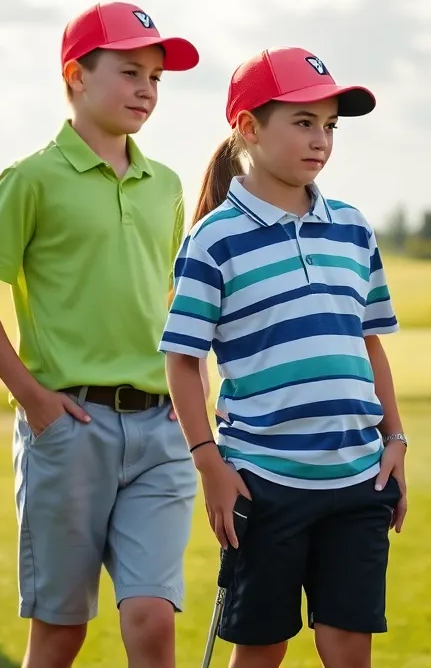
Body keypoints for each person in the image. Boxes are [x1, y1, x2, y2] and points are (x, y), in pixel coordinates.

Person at [0, 1, 200, 668]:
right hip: (70, 427)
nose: (145, 89)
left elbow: (173, 301)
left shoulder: (166, 185)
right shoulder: (30, 179)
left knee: (151, 619)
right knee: (61, 634)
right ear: (76, 76)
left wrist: (190, 388)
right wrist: (33, 398)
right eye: (129, 72)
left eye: (155, 77)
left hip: (159, 431)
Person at [159, 46, 409, 668]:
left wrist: (396, 439)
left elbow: (368, 341)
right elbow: (183, 360)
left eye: (329, 125)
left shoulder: (352, 228)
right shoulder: (213, 239)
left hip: (359, 475)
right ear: (247, 126)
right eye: (303, 122)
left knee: (349, 648)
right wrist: (209, 464)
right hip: (263, 480)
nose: (321, 139)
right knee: (262, 650)